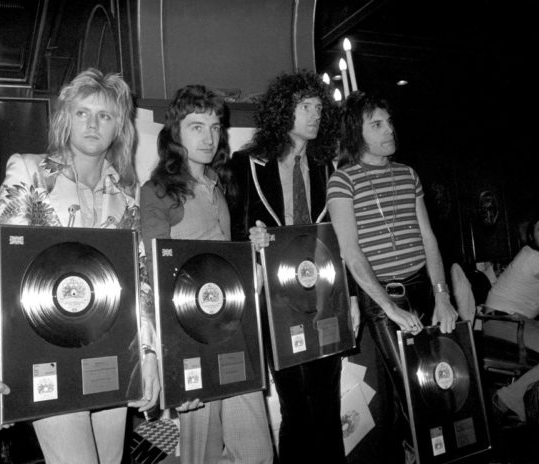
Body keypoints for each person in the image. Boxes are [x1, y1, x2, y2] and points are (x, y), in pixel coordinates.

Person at [0, 68, 160, 464]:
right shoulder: (30, 170)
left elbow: (136, 281)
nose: (93, 123)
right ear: (65, 119)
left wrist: (149, 353)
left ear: (119, 127)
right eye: (82, 113)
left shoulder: (126, 194)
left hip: (109, 351)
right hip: (42, 350)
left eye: (105, 116)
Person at [140, 85, 274, 464]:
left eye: (214, 127)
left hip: (234, 331)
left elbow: (222, 266)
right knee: (202, 456)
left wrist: (253, 246)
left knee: (258, 454)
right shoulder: (158, 190)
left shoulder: (220, 185)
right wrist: (174, 366)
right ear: (175, 131)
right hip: (189, 340)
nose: (208, 137)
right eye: (196, 126)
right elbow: (154, 273)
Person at [326, 90, 458, 459]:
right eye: (377, 124)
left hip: (423, 287)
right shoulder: (343, 181)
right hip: (383, 296)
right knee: (412, 389)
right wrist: (389, 308)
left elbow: (428, 237)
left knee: (440, 379)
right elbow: (351, 254)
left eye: (390, 122)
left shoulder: (408, 174)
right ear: (357, 132)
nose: (389, 130)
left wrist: (442, 295)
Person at [226, 70, 349, 464]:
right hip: (275, 303)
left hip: (323, 298)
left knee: (328, 403)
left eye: (318, 107)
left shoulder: (327, 169)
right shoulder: (247, 164)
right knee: (298, 404)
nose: (314, 114)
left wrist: (353, 300)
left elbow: (342, 242)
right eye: (304, 106)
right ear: (283, 110)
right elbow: (232, 236)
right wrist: (251, 239)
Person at [485, 215, 539, 422]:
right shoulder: (532, 257)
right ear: (531, 237)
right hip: (504, 323)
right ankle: (505, 401)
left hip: (510, 322)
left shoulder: (530, 256)